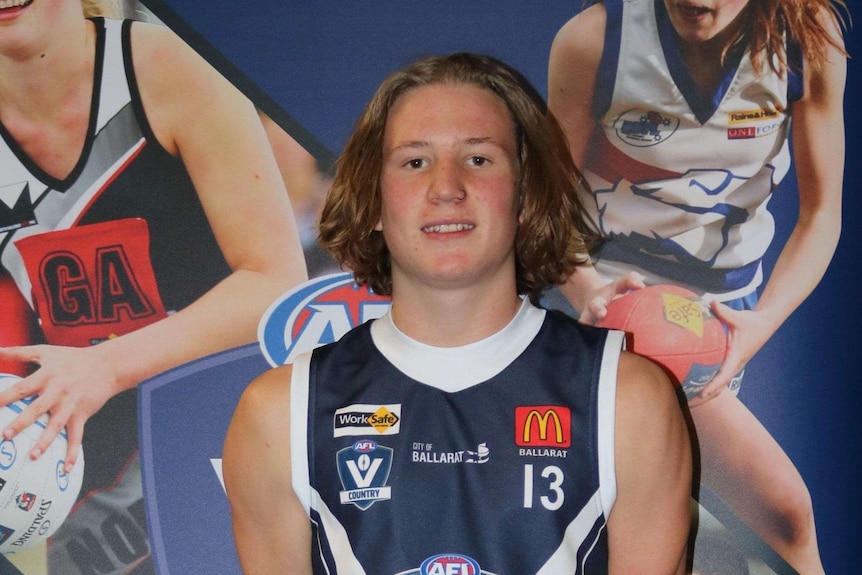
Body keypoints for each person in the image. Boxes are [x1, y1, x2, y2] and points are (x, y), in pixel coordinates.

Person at [223, 52, 691, 574]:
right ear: (374, 200)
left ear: (524, 194)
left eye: (479, 159)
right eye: (414, 161)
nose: (446, 189)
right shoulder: (279, 414)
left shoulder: (628, 400)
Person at [0, 0, 307, 573]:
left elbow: (276, 283)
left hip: (224, 426)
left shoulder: (167, 68)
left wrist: (105, 366)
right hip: (80, 474)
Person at [548, 1, 847, 573]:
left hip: (721, 311)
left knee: (732, 527)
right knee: (780, 511)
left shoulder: (808, 36)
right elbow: (541, 203)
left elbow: (821, 215)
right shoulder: (596, 41)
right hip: (610, 295)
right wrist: (585, 289)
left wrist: (760, 325)